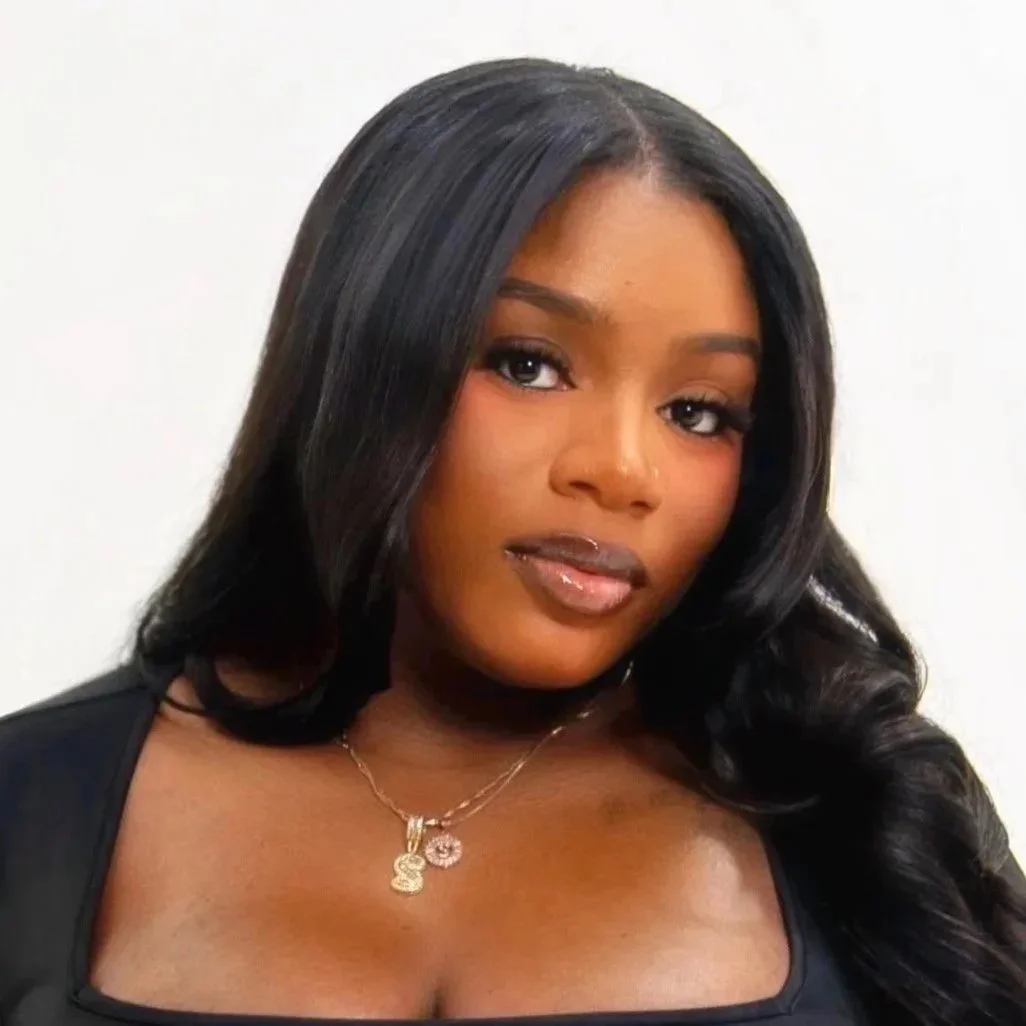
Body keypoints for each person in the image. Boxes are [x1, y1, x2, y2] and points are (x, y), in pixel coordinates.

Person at [1, 56, 1023, 1026]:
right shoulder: (33, 801)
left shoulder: (863, 820)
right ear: (361, 361)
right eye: (530, 363)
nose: (621, 471)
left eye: (701, 411)